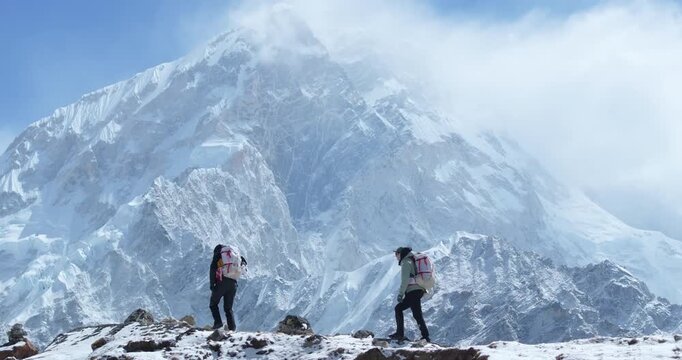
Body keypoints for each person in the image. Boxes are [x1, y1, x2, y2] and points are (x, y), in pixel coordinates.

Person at [388, 246, 430, 342]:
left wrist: (400, 294)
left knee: (400, 309)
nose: (396, 257)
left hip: (413, 291)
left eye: (396, 254)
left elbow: (405, 280)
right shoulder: (411, 261)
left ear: (400, 253)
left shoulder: (406, 262)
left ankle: (401, 334)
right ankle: (425, 336)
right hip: (417, 290)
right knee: (415, 314)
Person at [209, 244, 247, 330]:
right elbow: (244, 262)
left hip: (222, 282)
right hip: (233, 283)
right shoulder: (234, 256)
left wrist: (212, 285)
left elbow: (213, 269)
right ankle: (232, 328)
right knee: (228, 308)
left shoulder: (218, 255)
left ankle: (218, 323)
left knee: (213, 304)